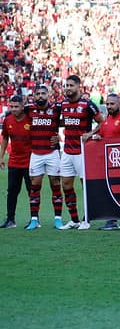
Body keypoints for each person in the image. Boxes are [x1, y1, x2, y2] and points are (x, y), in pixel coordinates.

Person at [58, 75, 104, 231]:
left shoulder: (87, 104)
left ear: (79, 86)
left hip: (82, 152)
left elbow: (102, 122)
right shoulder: (63, 104)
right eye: (66, 85)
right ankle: (74, 219)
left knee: (85, 186)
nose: (68, 88)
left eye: (71, 85)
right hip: (67, 151)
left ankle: (87, 219)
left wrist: (90, 134)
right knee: (66, 185)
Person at [88, 93, 120, 231]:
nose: (109, 107)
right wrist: (98, 136)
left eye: (112, 104)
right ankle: (112, 221)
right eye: (108, 104)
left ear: (119, 104)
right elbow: (104, 136)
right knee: (110, 192)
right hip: (110, 163)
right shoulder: (106, 120)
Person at [24, 85, 64, 230]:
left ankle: (58, 219)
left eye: (43, 93)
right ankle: (34, 220)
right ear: (34, 96)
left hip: (52, 153)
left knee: (55, 184)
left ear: (49, 95)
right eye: (38, 94)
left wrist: (60, 135)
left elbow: (68, 121)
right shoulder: (28, 109)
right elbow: (15, 115)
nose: (40, 96)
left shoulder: (56, 109)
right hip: (36, 153)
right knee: (35, 186)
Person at [0, 95, 32, 229]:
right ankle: (10, 220)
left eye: (16, 107)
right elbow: (5, 139)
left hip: (30, 161)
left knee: (32, 191)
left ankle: (35, 219)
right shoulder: (7, 120)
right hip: (14, 161)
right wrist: (1, 157)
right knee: (12, 191)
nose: (13, 109)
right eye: (11, 106)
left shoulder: (30, 119)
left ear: (22, 107)